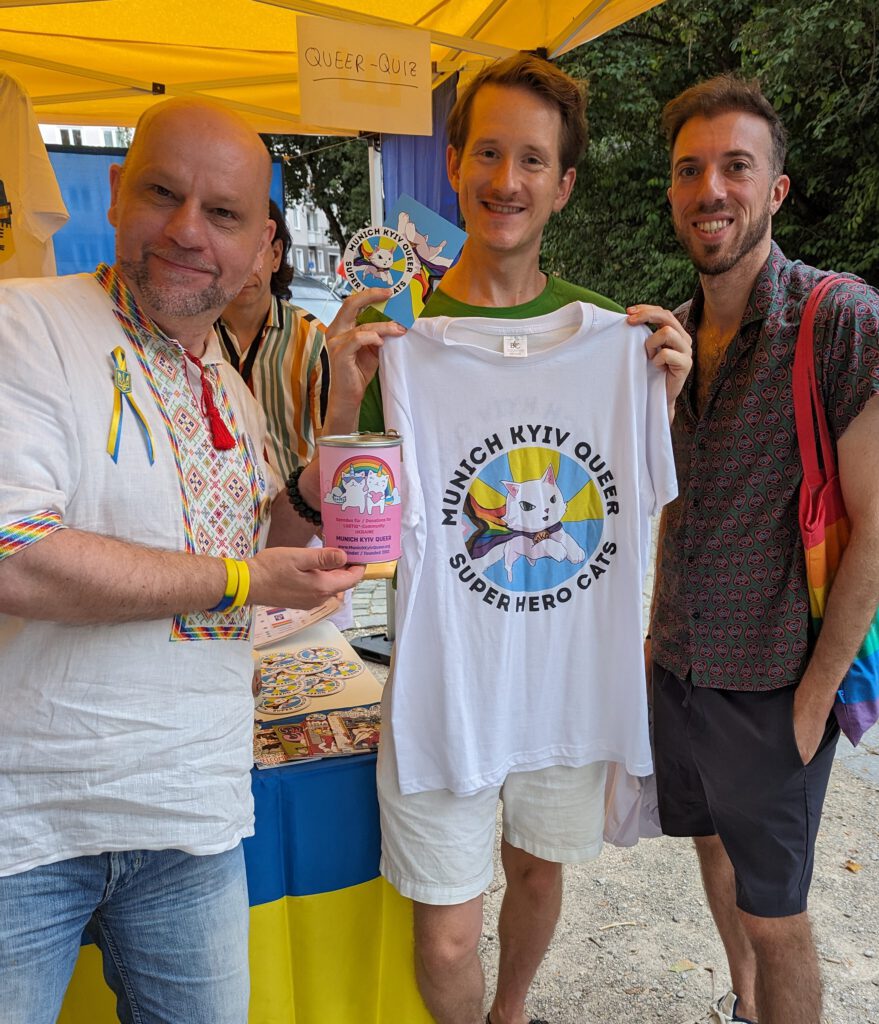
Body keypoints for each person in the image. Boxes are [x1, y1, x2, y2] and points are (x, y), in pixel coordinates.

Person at [311, 53, 691, 1024]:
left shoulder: (618, 343)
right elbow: (352, 541)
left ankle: (511, 1011)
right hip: (449, 684)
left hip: (565, 677)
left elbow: (655, 498)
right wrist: (344, 393)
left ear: (561, 185)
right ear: (452, 163)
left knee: (535, 875)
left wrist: (668, 402)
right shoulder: (404, 346)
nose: (504, 181)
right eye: (487, 152)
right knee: (442, 931)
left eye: (531, 159)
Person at [0, 97, 383, 1024]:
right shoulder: (27, 324)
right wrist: (247, 578)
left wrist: (317, 467)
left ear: (262, 249)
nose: (186, 231)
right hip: (28, 826)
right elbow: (15, 556)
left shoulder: (225, 381)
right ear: (117, 195)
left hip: (195, 819)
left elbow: (251, 550)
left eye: (222, 213)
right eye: (163, 194)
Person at [648, 75, 879, 1024]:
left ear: (777, 189)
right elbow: (674, 503)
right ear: (672, 191)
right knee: (713, 849)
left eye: (735, 166)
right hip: (681, 666)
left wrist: (813, 700)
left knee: (778, 914)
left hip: (773, 683)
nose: (711, 188)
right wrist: (653, 638)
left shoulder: (839, 318)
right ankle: (746, 1007)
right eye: (690, 169)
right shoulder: (674, 337)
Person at [216, 198, 330, 483]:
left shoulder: (313, 339)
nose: (245, 268)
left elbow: (331, 445)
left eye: (256, 250)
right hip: (215, 517)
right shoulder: (191, 337)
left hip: (292, 514)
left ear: (276, 255)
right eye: (232, 249)